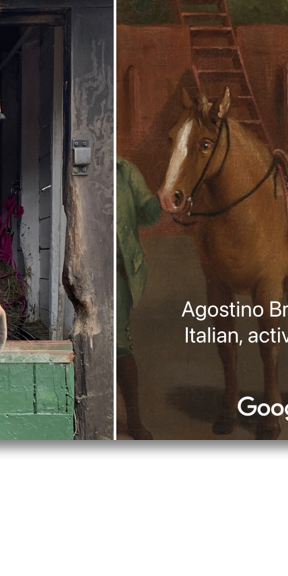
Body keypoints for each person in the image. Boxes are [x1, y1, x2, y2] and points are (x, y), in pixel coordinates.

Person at [116, 157, 162, 439]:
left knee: (121, 343)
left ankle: (133, 420)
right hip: (84, 266)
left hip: (119, 271)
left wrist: (159, 200)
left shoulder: (125, 171)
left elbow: (148, 215)